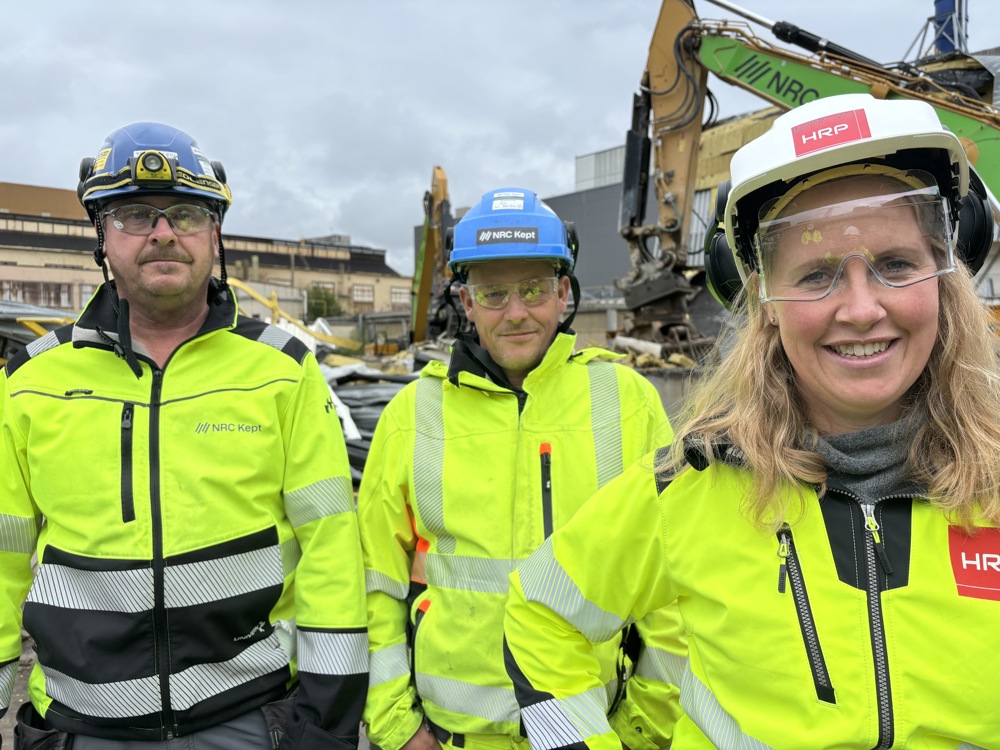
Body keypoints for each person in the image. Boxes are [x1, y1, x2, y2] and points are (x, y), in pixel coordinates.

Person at [503, 93, 1000, 748]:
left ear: (945, 275)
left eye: (896, 264)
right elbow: (540, 614)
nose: (860, 308)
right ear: (765, 303)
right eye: (817, 274)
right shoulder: (693, 489)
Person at [0, 122, 368, 749]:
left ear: (215, 232)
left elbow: (330, 549)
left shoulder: (283, 369)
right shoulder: (31, 378)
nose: (163, 233)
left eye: (186, 214)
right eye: (135, 214)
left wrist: (327, 721)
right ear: (102, 236)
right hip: (81, 727)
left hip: (249, 720)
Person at [358, 188, 685, 750]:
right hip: (447, 737)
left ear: (562, 293)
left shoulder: (629, 403)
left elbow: (672, 586)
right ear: (466, 302)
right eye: (493, 292)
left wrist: (641, 726)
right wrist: (396, 726)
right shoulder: (412, 416)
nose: (515, 312)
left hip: (590, 731)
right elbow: (373, 583)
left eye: (533, 289)